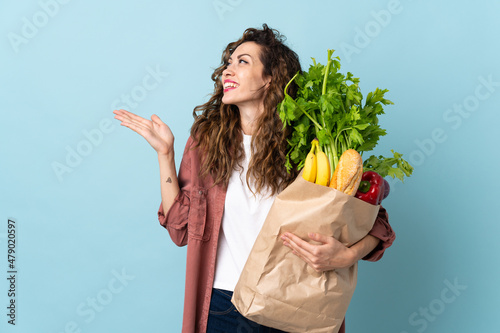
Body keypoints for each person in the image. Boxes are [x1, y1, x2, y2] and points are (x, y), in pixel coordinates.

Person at [113, 24, 395, 333]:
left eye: (242, 62)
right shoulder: (206, 142)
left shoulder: (311, 146)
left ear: (270, 78)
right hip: (221, 304)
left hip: (291, 300)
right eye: (228, 62)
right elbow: (180, 230)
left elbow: (377, 225)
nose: (227, 71)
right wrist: (165, 153)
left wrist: (344, 255)